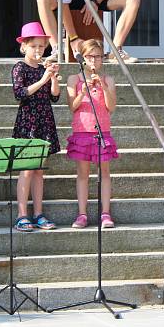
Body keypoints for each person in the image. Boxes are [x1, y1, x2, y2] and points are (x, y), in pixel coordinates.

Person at [11, 22, 61, 232]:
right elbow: (20, 93)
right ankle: (22, 214)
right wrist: (43, 79)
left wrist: (54, 79)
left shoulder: (43, 70)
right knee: (27, 170)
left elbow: (54, 97)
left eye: (42, 46)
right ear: (24, 47)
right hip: (28, 120)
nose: (39, 50)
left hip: (44, 119)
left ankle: (39, 213)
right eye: (34, 46)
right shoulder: (19, 67)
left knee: (39, 170)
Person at [66, 39, 119, 228]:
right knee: (83, 173)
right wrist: (83, 90)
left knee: (104, 172)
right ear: (82, 58)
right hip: (82, 130)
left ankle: (105, 213)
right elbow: (73, 106)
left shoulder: (108, 80)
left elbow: (111, 107)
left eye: (97, 56)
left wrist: (103, 88)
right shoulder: (74, 79)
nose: (93, 60)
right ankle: (82, 214)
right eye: (89, 56)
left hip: (102, 131)